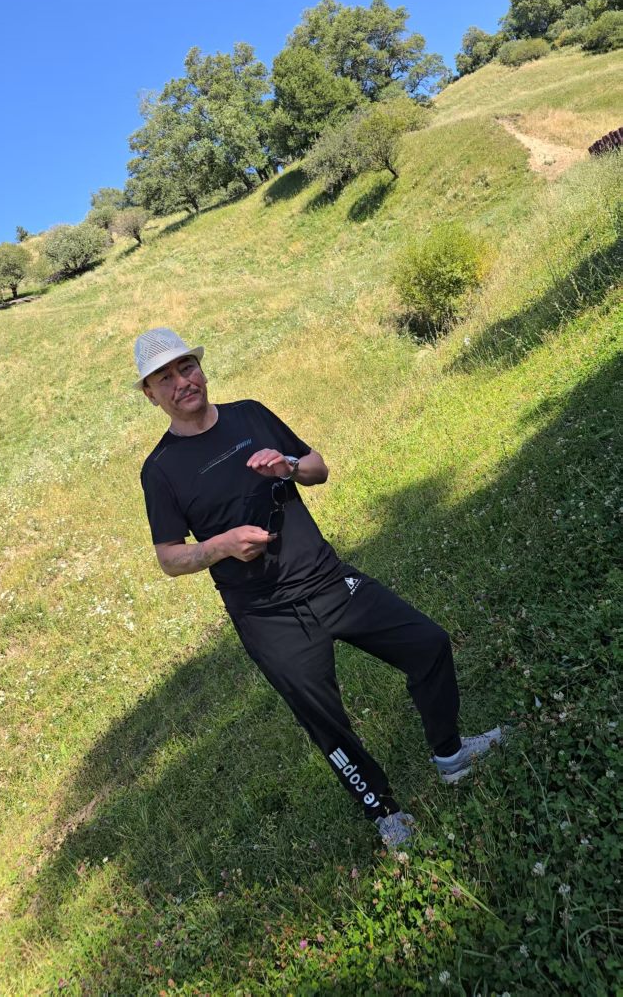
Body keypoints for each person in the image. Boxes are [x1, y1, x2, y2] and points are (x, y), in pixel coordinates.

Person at [135, 327, 503, 849]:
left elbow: (317, 468)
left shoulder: (249, 415)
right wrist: (220, 546)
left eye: (186, 367)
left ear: (200, 367)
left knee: (428, 644)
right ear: (150, 394)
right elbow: (170, 557)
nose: (181, 383)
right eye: (164, 378)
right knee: (326, 720)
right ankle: (385, 813)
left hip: (328, 579)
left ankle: (451, 755)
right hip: (266, 615)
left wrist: (287, 466)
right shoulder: (161, 470)